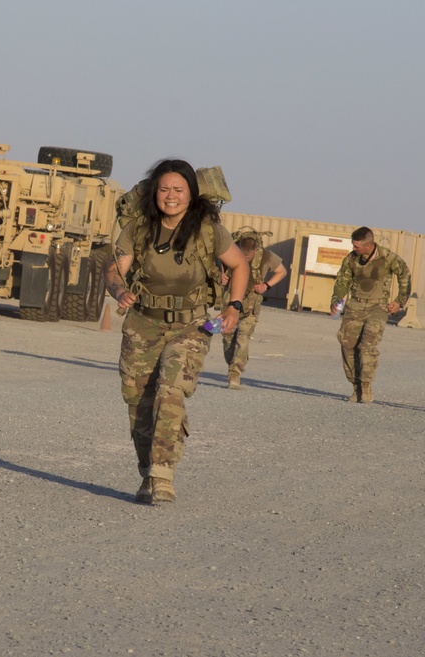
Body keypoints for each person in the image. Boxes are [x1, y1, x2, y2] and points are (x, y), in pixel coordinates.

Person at [105, 159, 247, 505]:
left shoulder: (208, 229)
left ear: (191, 194)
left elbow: (239, 264)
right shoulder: (138, 230)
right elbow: (114, 269)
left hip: (191, 324)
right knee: (138, 402)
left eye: (178, 190)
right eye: (164, 189)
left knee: (171, 388)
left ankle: (162, 474)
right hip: (143, 323)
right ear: (154, 193)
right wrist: (120, 290)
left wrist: (234, 305)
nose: (171, 196)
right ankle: (147, 472)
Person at [330, 226, 411, 403]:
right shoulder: (351, 258)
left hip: (378, 308)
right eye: (353, 245)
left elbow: (404, 273)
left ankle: (366, 387)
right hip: (355, 305)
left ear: (369, 245)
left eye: (357, 246)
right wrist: (337, 299)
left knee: (366, 346)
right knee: (347, 344)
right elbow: (343, 280)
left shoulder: (387, 257)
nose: (354, 249)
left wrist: (399, 301)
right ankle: (356, 387)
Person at [219, 227, 289, 389]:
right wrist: (220, 275)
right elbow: (214, 265)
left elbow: (282, 271)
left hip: (250, 305)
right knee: (228, 338)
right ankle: (233, 364)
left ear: (255, 251)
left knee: (243, 337)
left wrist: (266, 286)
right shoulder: (229, 252)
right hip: (230, 302)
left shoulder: (266, 256)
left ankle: (234, 374)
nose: (244, 260)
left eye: (247, 257)